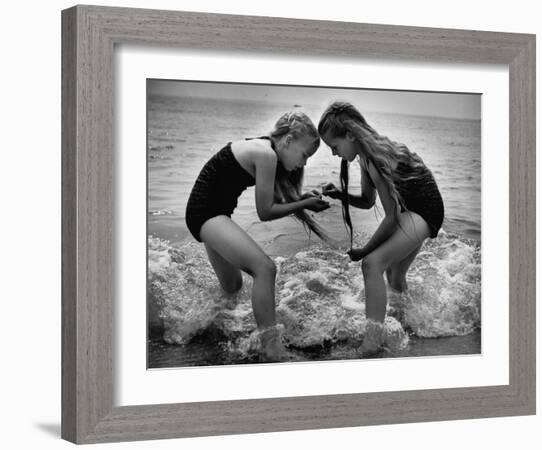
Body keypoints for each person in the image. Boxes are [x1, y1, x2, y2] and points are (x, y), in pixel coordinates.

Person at [185, 111, 331, 361]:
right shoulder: (265, 155)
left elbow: (276, 200)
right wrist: (302, 205)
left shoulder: (267, 149)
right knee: (265, 268)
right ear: (288, 140)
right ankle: (271, 346)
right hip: (206, 213)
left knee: (233, 286)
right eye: (305, 154)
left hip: (213, 213)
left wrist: (306, 197)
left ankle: (203, 327)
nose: (304, 163)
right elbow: (266, 212)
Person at [317, 101, 444, 355]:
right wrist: (341, 195)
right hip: (412, 209)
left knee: (372, 264)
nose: (333, 154)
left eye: (334, 146)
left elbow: (392, 218)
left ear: (350, 135)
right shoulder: (365, 158)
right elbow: (367, 201)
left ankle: (372, 342)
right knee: (394, 275)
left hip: (424, 210)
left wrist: (365, 250)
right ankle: (409, 321)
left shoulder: (375, 159)